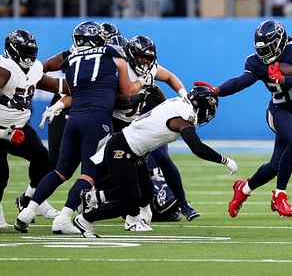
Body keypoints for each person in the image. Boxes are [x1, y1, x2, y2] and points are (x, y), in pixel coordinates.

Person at [15, 21, 147, 234]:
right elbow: (126, 93)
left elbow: (73, 92)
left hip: (73, 118)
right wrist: (142, 82)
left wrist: (58, 105)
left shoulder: (72, 61)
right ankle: (64, 218)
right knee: (89, 174)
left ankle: (28, 211)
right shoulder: (114, 55)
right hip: (97, 121)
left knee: (60, 170)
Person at [72, 86, 238, 237]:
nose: (208, 113)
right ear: (201, 105)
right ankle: (85, 219)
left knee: (146, 191)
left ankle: (120, 212)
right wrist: (224, 160)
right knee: (130, 200)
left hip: (134, 150)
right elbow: (197, 147)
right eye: (209, 109)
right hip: (122, 149)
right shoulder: (184, 117)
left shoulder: (178, 103)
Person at [196, 19, 292, 217]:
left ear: (280, 41)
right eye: (261, 48)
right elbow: (240, 82)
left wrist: (284, 79)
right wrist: (217, 90)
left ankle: (243, 189)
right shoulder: (255, 62)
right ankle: (280, 196)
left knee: (274, 166)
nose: (264, 53)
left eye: (268, 47)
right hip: (278, 110)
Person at [0, 29, 71, 229]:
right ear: (12, 50)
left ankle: (33, 197)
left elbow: (53, 78)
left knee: (43, 158)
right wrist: (4, 133)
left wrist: (86, 84)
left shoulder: (33, 69)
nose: (29, 56)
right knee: (1, 173)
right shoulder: (4, 69)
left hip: (19, 127)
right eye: (24, 50)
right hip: (1, 129)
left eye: (32, 51)